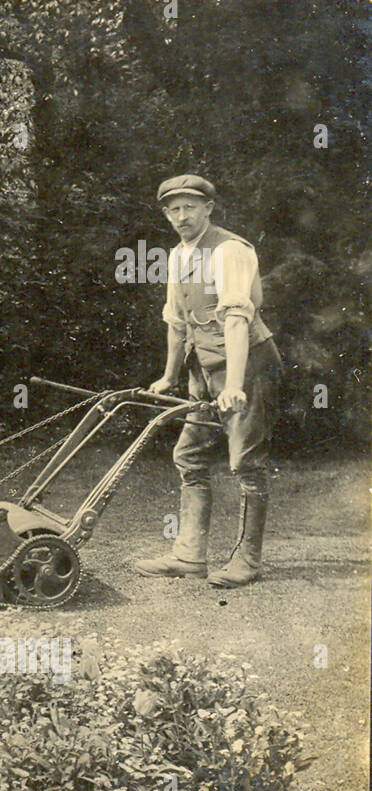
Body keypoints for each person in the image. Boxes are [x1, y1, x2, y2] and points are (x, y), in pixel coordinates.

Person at [134, 174, 283, 588]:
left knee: (245, 463)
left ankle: (247, 561)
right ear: (166, 214)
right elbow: (177, 322)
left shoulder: (230, 250)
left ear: (208, 208)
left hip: (247, 365)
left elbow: (237, 318)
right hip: (205, 369)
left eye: (189, 208)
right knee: (191, 456)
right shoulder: (179, 256)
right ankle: (188, 555)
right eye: (173, 209)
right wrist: (168, 377)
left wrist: (234, 384)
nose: (181, 216)